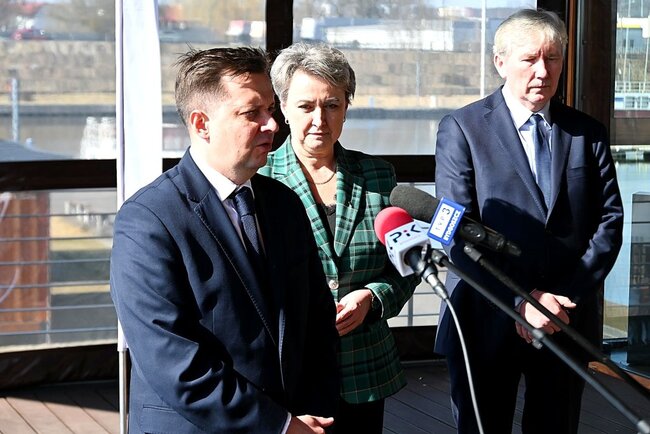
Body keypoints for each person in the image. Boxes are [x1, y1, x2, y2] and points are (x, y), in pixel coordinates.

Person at [110, 47, 339, 434]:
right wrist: (280, 426)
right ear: (202, 124)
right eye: (252, 113)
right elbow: (174, 362)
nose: (272, 125)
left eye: (271, 109)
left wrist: (313, 414)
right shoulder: (148, 220)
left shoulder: (284, 204)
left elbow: (317, 324)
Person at [434, 8, 624, 434]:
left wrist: (561, 298)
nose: (543, 71)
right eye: (530, 59)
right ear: (500, 62)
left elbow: (609, 222)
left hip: (565, 318)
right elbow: (454, 233)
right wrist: (521, 301)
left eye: (553, 58)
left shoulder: (587, 132)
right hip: (486, 317)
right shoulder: (461, 129)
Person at [259, 42, 418, 434]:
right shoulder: (259, 179)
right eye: (306, 106)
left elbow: (411, 265)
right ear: (283, 108)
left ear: (347, 106)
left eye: (332, 105)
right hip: (288, 370)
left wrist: (373, 297)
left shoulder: (378, 176)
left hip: (364, 368)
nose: (320, 119)